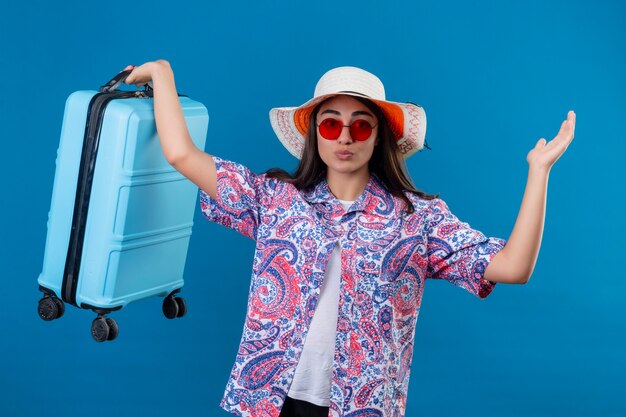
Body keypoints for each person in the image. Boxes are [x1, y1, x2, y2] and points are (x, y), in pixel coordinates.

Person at [124, 61, 576, 417]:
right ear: (313, 133)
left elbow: (514, 267)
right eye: (330, 123)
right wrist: (163, 75)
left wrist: (539, 172)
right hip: (270, 401)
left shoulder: (419, 221)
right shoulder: (275, 200)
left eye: (361, 125)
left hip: (363, 406)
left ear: (378, 136)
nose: (344, 136)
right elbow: (181, 154)